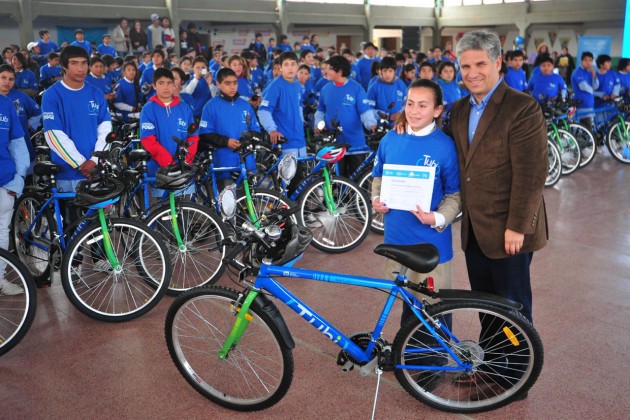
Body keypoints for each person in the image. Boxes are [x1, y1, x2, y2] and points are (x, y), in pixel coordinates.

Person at [372, 78, 460, 322]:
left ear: (437, 110)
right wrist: (377, 198)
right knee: (406, 309)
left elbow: (455, 193)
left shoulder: (446, 146)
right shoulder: (390, 139)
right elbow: (378, 177)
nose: (413, 111)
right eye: (410, 104)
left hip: (432, 243)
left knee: (434, 310)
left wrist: (438, 217)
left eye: (423, 105)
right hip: (397, 240)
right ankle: (406, 358)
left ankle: (439, 359)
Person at [41, 46, 111, 280]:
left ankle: (101, 258)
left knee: (97, 216)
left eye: (84, 63)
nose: (81, 68)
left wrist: (95, 159)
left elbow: (105, 128)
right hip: (68, 171)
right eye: (75, 63)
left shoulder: (95, 93)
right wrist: (81, 162)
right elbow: (54, 135)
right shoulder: (52, 95)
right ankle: (75, 261)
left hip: (94, 168)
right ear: (63, 66)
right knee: (72, 219)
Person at [315, 55, 377, 177]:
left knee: (357, 176)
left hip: (355, 142)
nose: (326, 71)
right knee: (337, 178)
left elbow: (365, 111)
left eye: (330, 68)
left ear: (340, 71)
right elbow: (320, 110)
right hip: (334, 143)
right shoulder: (326, 89)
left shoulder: (356, 88)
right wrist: (318, 124)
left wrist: (371, 125)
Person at [198, 68, 259, 189]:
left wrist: (246, 140)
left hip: (246, 163)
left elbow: (256, 130)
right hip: (223, 163)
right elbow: (205, 134)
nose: (232, 87)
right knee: (227, 205)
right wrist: (226, 142)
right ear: (218, 84)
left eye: (235, 83)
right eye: (227, 83)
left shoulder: (245, 105)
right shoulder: (210, 106)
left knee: (248, 203)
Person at [140, 68, 197, 188]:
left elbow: (193, 136)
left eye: (169, 83)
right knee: (164, 205)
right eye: (161, 83)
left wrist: (187, 160)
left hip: (184, 168)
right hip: (160, 169)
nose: (165, 87)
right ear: (154, 86)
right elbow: (148, 139)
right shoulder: (148, 109)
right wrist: (168, 161)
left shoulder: (184, 108)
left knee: (185, 204)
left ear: (174, 85)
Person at [0, 90, 29, 295]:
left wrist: (18, 179)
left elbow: (18, 143)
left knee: (2, 230)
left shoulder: (6, 104)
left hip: (5, 179)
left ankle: (0, 279)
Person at [0, 64, 42, 171]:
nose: (7, 82)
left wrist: (31, 124)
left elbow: (39, 112)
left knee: (23, 181)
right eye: (3, 78)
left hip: (22, 146)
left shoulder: (21, 96)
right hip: (2, 150)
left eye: (11, 79)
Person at [366, 56, 406, 126]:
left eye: (390, 71)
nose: (388, 74)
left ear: (395, 71)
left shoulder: (401, 84)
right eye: (385, 71)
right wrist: (388, 116)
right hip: (379, 126)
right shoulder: (374, 86)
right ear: (380, 71)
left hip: (398, 125)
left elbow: (407, 103)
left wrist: (401, 114)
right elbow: (368, 110)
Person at [571, 52, 599, 133]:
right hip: (582, 104)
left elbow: (596, 86)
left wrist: (593, 73)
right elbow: (584, 87)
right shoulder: (577, 72)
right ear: (581, 61)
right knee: (585, 129)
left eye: (590, 60)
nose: (588, 62)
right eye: (586, 60)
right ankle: (584, 144)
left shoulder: (589, 72)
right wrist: (594, 91)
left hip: (590, 103)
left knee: (590, 128)